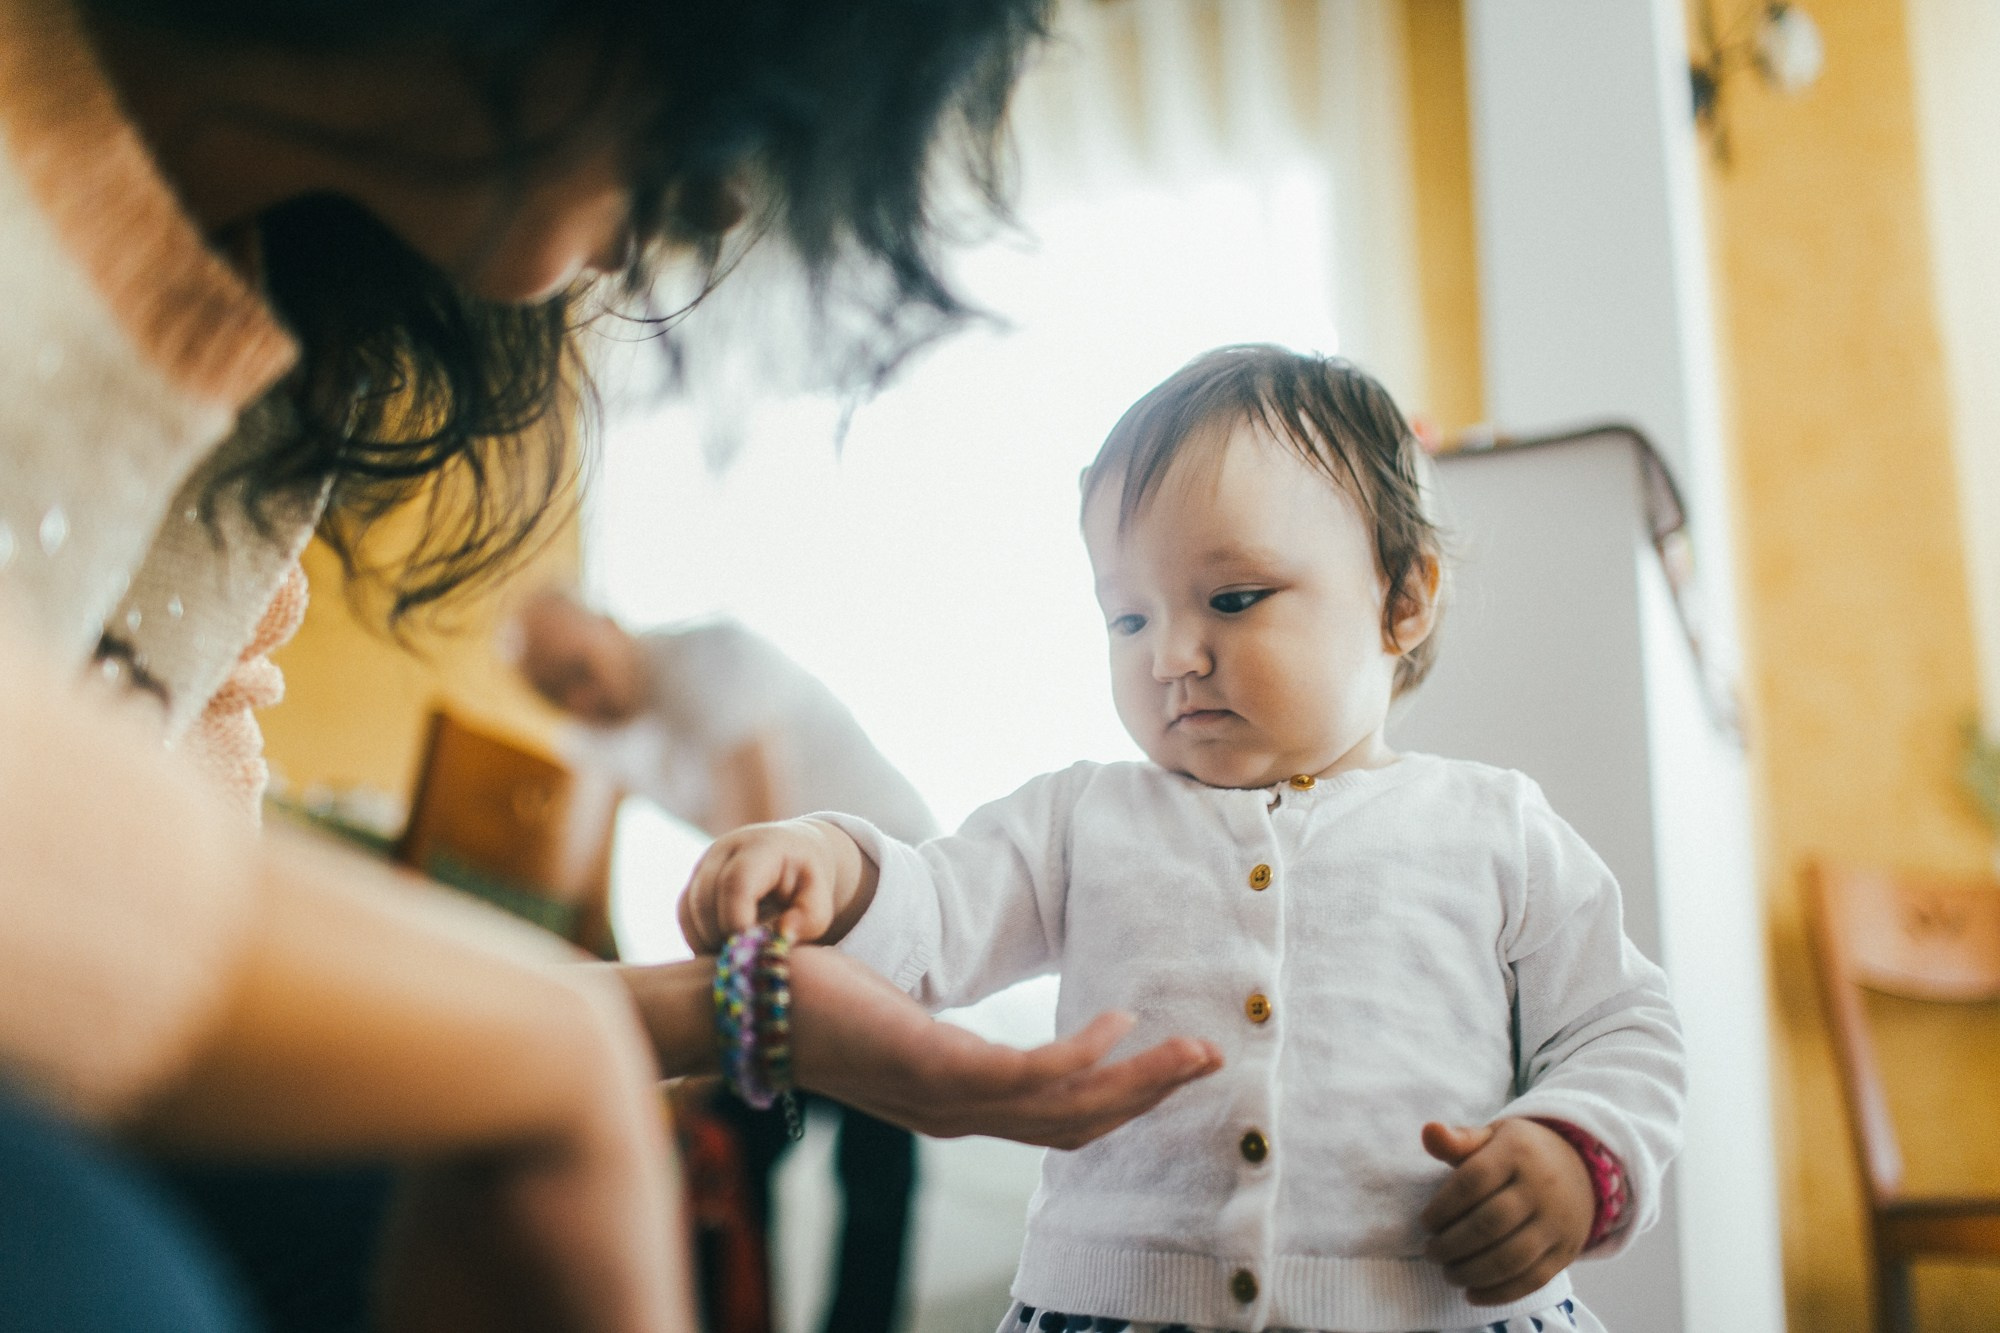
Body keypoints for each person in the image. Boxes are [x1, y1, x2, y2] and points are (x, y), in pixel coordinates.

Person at [0, 2, 1224, 1328]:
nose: (722, 194)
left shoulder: (285, 404)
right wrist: (567, 1047)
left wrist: (737, 1007)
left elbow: (180, 962)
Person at [678, 346, 1689, 1333]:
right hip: (1115, 1306)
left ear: (1403, 599)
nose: (1169, 655)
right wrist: (835, 865)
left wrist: (1574, 1152)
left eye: (1233, 599)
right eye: (1126, 619)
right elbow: (936, 906)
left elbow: (1620, 1022)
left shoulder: (1492, 824)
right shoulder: (1082, 819)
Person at [514, 590, 933, 1333]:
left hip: (889, 888)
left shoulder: (712, 661)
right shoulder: (595, 733)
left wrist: (696, 1043)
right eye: (553, 694)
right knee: (729, 1143)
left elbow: (759, 864)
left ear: (609, 624)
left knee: (872, 1147)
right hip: (796, 916)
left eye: (579, 670)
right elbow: (578, 889)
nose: (580, 700)